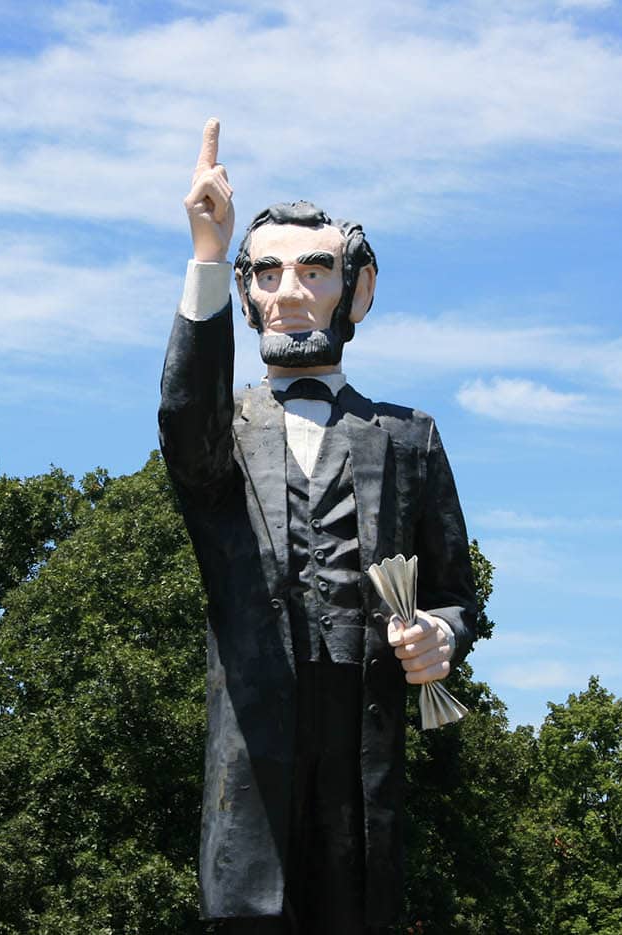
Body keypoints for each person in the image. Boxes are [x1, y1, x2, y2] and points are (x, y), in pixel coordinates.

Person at [158, 118, 481, 935]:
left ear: (357, 289)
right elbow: (181, 416)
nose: (290, 288)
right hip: (254, 750)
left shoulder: (411, 438)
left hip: (364, 737)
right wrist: (205, 251)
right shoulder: (220, 436)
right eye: (266, 273)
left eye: (315, 268)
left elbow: (453, 594)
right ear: (245, 293)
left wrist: (441, 635)